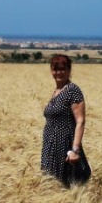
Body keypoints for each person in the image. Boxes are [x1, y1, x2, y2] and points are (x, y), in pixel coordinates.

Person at [40, 54, 89, 187]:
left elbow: (80, 121)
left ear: (69, 70)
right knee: (50, 185)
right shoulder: (57, 91)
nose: (59, 72)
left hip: (64, 145)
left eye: (62, 69)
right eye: (55, 69)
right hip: (50, 146)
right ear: (51, 70)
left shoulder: (73, 90)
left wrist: (75, 150)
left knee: (65, 185)